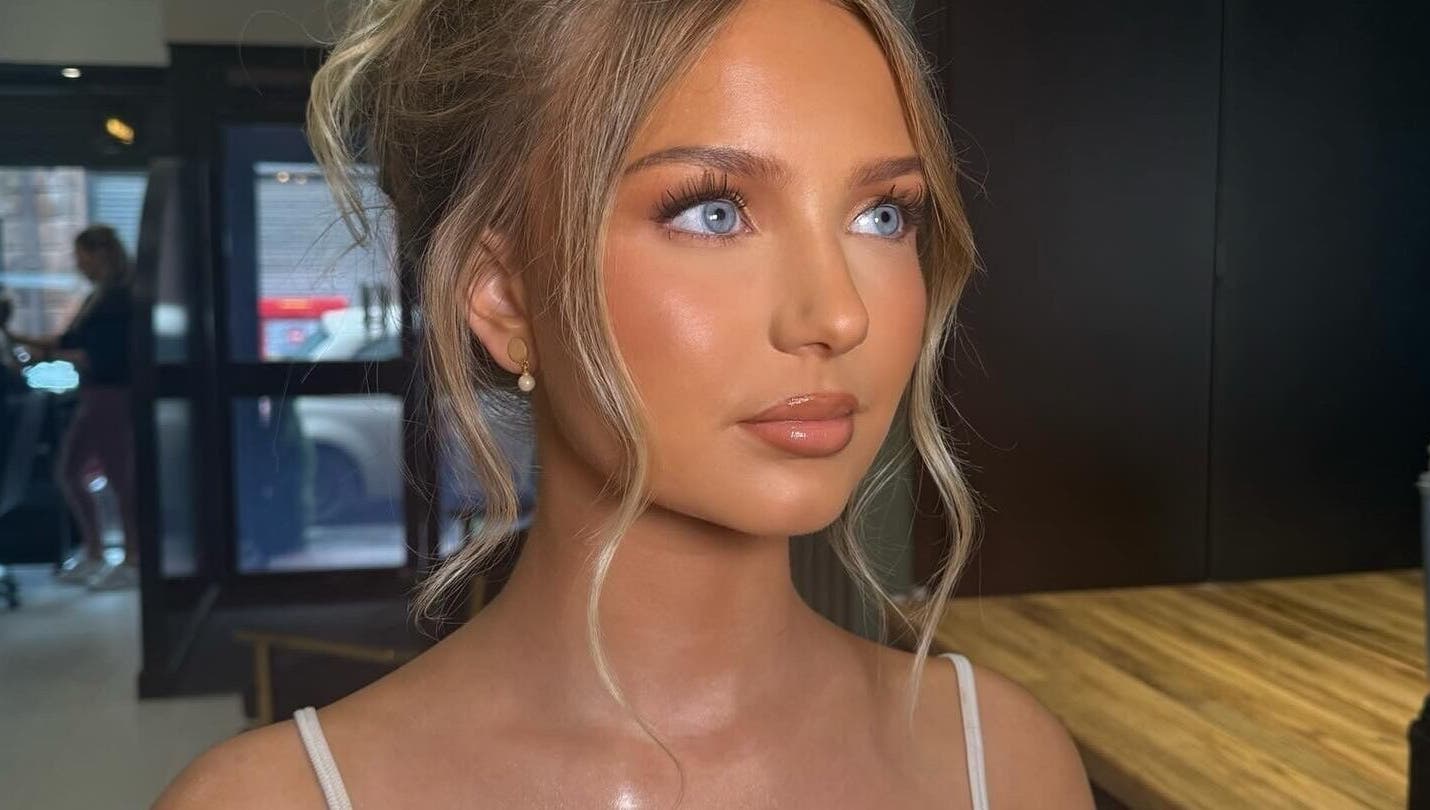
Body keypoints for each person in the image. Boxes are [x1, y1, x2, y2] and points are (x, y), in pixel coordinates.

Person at [157, 1, 1095, 807]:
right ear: (503, 294)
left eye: (883, 214)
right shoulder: (269, 800)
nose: (839, 315)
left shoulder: (1004, 764)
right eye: (712, 211)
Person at [3, 225, 138, 590]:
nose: (78, 265)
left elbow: (98, 356)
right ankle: (94, 552)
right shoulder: (98, 297)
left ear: (100, 254)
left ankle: (133, 558)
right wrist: (20, 340)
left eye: (81, 257)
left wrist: (48, 355)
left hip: (110, 395)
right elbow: (68, 341)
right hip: (94, 395)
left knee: (120, 478)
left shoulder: (117, 300)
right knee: (69, 470)